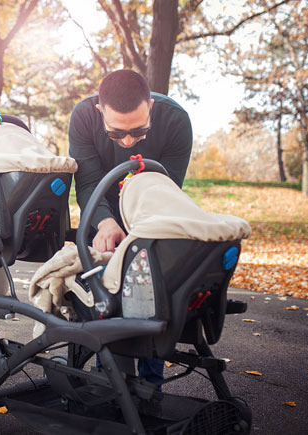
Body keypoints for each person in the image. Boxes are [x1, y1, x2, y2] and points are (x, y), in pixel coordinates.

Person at [68, 69, 193, 387]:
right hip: (102, 210)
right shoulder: (83, 116)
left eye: (139, 132)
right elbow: (87, 183)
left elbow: (166, 190)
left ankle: (151, 386)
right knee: (107, 296)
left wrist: (137, 239)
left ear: (150, 106)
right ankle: (110, 380)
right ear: (100, 111)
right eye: (115, 133)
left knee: (149, 290)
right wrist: (106, 223)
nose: (126, 141)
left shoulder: (176, 121)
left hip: (152, 211)